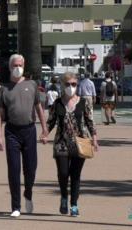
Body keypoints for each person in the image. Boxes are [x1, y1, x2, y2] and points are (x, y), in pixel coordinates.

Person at [0, 54, 48, 218]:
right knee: (14, 169)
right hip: (12, 131)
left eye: (20, 65)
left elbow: (39, 108)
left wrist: (45, 129)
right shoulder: (4, 89)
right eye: (14, 65)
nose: (17, 68)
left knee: (30, 169)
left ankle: (28, 193)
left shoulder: (32, 85)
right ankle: (16, 206)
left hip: (29, 131)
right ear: (10, 67)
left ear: (24, 66)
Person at [45, 72, 99, 217]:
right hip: (61, 142)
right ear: (62, 85)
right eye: (68, 84)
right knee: (63, 173)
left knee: (75, 175)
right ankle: (64, 197)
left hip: (80, 142)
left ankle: (74, 204)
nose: (71, 87)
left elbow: (90, 121)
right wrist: (44, 134)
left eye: (74, 84)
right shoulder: (57, 103)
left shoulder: (83, 102)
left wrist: (94, 138)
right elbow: (50, 121)